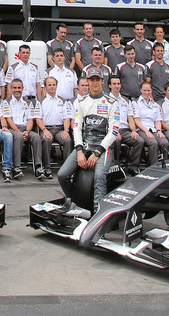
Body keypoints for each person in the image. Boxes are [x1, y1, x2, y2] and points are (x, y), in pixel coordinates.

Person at [57, 67, 118, 216]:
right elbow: (76, 128)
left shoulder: (112, 102)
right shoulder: (82, 102)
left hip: (104, 147)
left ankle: (98, 215)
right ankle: (73, 201)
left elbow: (114, 132)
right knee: (62, 174)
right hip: (85, 144)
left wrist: (97, 152)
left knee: (99, 176)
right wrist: (79, 151)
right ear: (88, 82)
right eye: (92, 80)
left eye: (97, 79)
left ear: (103, 81)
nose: (95, 83)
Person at [4, 78, 40, 179]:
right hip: (13, 129)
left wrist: (27, 131)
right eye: (14, 88)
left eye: (19, 88)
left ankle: (38, 166)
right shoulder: (6, 102)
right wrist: (20, 132)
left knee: (36, 137)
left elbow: (30, 120)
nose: (17, 90)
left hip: (26, 128)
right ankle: (16, 167)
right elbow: (9, 121)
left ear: (23, 88)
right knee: (18, 137)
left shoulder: (28, 102)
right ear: (11, 89)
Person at [35, 76, 70, 178]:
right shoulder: (40, 101)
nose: (52, 87)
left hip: (60, 129)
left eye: (54, 85)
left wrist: (66, 130)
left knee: (67, 140)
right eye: (49, 85)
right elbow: (38, 119)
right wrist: (44, 130)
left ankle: (67, 168)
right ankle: (47, 168)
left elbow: (67, 118)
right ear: (45, 87)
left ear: (56, 86)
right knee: (46, 139)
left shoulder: (63, 101)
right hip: (46, 128)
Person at [127, 81, 162, 167]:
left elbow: (157, 120)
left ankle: (165, 166)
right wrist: (146, 131)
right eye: (144, 90)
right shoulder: (136, 103)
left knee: (164, 142)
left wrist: (159, 130)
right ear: (141, 90)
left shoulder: (155, 104)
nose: (147, 93)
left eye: (148, 90)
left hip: (153, 129)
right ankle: (153, 167)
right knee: (153, 143)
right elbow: (137, 120)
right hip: (141, 129)